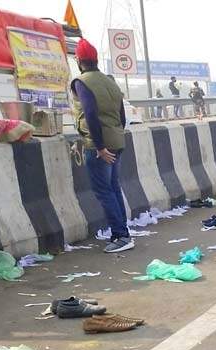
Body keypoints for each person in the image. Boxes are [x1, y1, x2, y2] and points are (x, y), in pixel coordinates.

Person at [68, 39, 133, 254]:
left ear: (78, 60)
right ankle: (122, 232)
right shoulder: (109, 81)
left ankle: (121, 236)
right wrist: (115, 137)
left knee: (103, 191)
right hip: (117, 140)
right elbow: (122, 115)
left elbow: (90, 113)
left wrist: (99, 146)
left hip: (99, 145)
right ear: (95, 59)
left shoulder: (81, 82)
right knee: (113, 187)